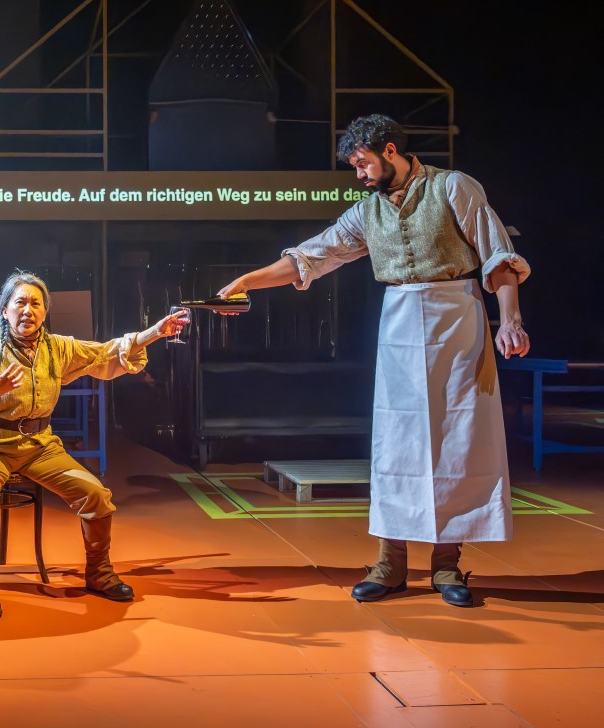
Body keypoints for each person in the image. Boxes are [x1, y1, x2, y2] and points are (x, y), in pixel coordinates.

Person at [216, 114, 530, 607]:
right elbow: (312, 256)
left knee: (460, 440)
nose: (359, 175)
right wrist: (249, 280)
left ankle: (447, 566)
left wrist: (509, 320)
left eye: (362, 163)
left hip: (459, 317)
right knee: (398, 440)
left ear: (389, 151)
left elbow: (498, 257)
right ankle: (390, 563)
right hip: (401, 321)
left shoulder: (454, 187)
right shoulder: (367, 213)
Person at [0, 270, 188, 618]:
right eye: (20, 303)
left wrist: (155, 332)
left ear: (45, 311)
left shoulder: (57, 347)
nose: (28, 310)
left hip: (39, 446)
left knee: (95, 494)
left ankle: (99, 573)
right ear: (4, 311)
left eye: (35, 303)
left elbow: (108, 352)